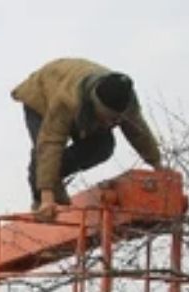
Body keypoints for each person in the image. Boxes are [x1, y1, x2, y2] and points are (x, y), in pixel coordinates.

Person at [12, 58, 163, 222]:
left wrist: (158, 166)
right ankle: (43, 197)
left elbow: (139, 133)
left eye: (114, 120)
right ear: (94, 104)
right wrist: (48, 197)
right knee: (44, 154)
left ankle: (51, 181)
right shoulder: (67, 99)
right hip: (42, 97)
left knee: (103, 146)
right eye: (105, 118)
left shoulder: (128, 103)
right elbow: (51, 143)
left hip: (82, 111)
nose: (108, 124)